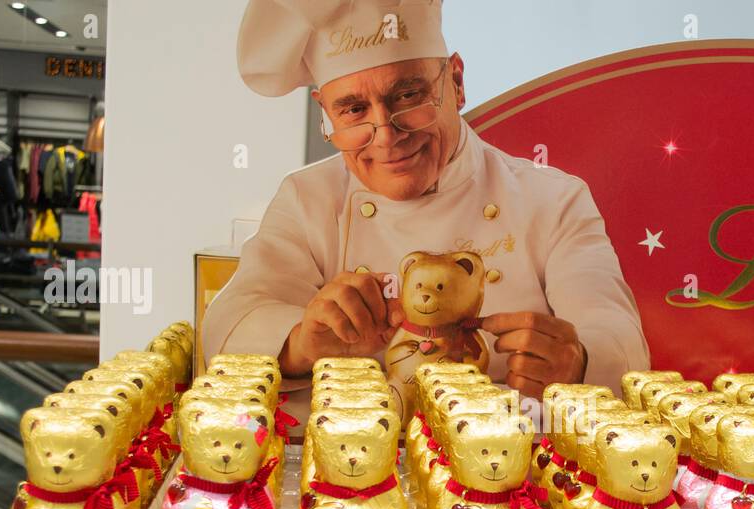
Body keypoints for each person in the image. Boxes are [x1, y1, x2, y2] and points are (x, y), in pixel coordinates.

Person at [204, 0, 650, 421]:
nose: (385, 135)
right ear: (327, 114)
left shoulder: (554, 200)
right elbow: (230, 323)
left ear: (455, 82)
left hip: (502, 476)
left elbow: (618, 336)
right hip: (349, 475)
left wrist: (579, 361)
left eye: (407, 96)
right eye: (354, 110)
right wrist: (300, 343)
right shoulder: (307, 198)